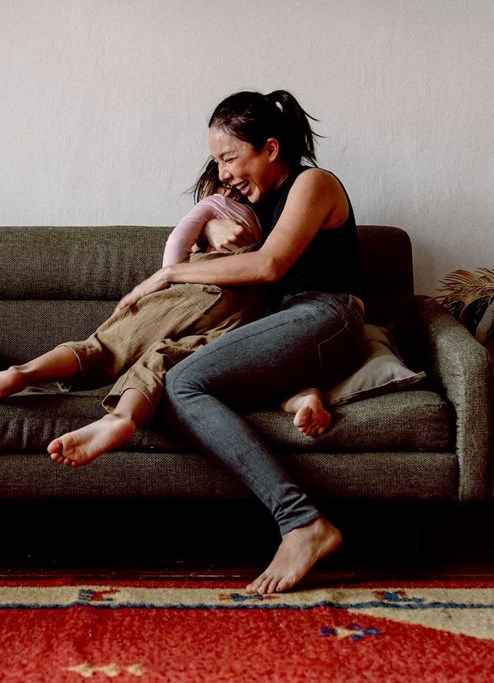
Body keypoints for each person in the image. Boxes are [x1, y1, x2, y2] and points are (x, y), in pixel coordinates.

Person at [116, 90, 365, 595]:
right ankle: (301, 391)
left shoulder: (313, 183)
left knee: (183, 383)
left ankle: (303, 523)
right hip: (284, 327)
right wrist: (209, 228)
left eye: (230, 157)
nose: (223, 172)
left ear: (270, 149)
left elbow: (268, 265)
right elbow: (227, 234)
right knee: (173, 383)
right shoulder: (260, 202)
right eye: (217, 161)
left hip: (327, 314)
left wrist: (168, 276)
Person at [0, 160, 332, 467]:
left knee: (104, 347)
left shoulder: (221, 206)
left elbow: (178, 239)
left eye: (228, 164)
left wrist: (170, 275)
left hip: (204, 289)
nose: (227, 179)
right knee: (165, 358)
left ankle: (24, 373)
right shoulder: (271, 214)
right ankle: (121, 418)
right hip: (247, 310)